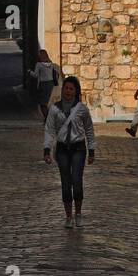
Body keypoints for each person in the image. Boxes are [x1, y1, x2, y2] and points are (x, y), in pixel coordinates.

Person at [43, 75, 95, 228]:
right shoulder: (54, 109)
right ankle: (68, 216)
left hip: (78, 148)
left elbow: (89, 130)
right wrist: (46, 150)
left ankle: (78, 213)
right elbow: (49, 130)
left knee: (77, 181)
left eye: (71, 89)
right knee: (66, 183)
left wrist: (91, 150)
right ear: (62, 89)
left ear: (75, 91)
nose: (68, 91)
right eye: (66, 88)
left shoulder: (82, 109)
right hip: (62, 150)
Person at [30, 48, 60, 119]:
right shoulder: (51, 64)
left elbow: (35, 75)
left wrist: (29, 72)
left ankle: (46, 118)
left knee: (42, 103)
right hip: (51, 84)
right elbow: (57, 74)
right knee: (49, 102)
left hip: (43, 84)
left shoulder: (39, 65)